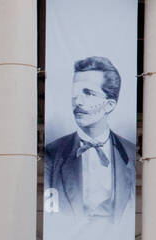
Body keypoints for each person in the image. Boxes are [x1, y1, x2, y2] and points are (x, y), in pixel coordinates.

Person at [43, 56, 137, 221]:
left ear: (109, 105)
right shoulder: (53, 153)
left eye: (88, 93)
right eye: (75, 93)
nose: (78, 102)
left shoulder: (130, 153)